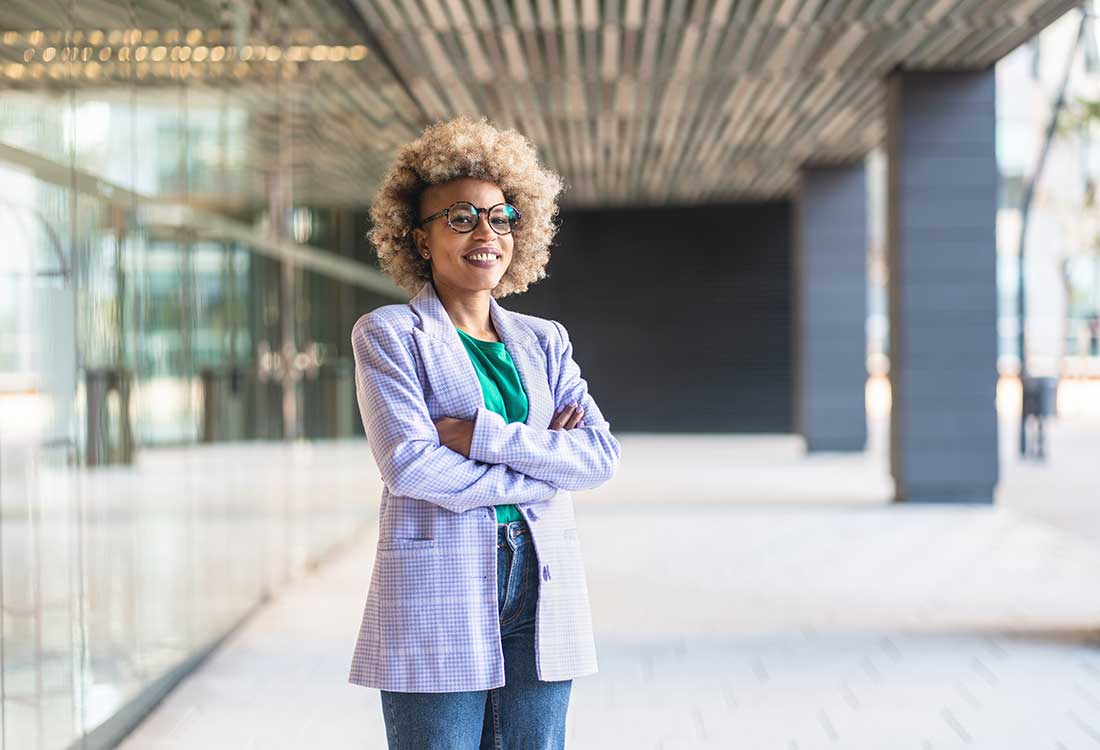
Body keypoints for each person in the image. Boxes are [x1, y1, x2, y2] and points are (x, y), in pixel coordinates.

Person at [347, 116, 621, 749]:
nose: (486, 233)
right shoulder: (389, 334)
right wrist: (544, 467)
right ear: (418, 240)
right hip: (438, 583)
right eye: (461, 217)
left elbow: (599, 456)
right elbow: (411, 466)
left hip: (542, 583)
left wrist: (481, 438)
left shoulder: (545, 341)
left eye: (501, 218)